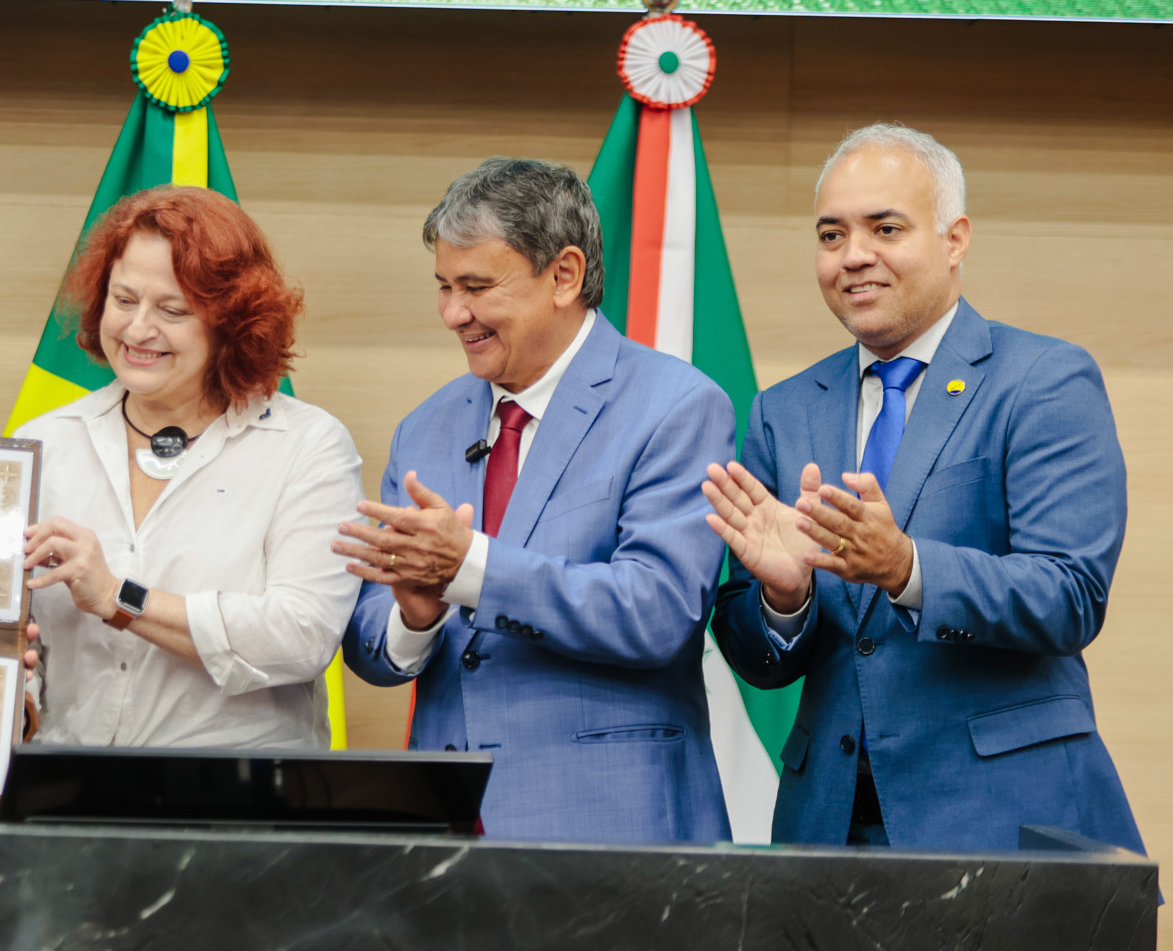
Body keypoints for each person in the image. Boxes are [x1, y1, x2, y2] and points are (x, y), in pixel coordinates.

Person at [704, 125, 1142, 851]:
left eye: (885, 228)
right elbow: (756, 654)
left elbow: (1070, 596)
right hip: (829, 831)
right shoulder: (784, 410)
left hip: (1002, 822)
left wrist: (908, 568)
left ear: (954, 239)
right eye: (832, 235)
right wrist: (785, 599)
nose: (854, 255)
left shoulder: (1043, 380)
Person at [334, 158, 734, 843]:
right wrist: (414, 618)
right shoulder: (423, 429)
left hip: (611, 827)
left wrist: (471, 569)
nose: (453, 314)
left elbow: (658, 610)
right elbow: (369, 643)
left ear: (565, 275)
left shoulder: (677, 406)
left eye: (476, 287)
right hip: (448, 830)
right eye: (443, 287)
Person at [15, 187, 362, 748]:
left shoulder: (307, 445)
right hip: (65, 786)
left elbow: (302, 636)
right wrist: (18, 702)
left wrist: (120, 597)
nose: (137, 330)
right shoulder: (44, 442)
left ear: (232, 322)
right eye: (123, 300)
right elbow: (15, 634)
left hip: (237, 791)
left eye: (172, 311)